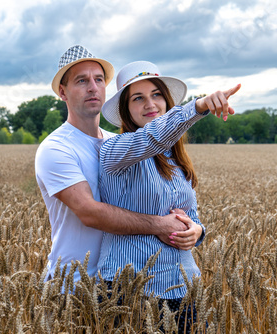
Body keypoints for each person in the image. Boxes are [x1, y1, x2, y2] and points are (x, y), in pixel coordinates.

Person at [35, 46, 204, 283]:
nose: (93, 87)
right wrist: (161, 225)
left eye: (99, 79)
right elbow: (89, 213)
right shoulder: (56, 148)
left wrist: (195, 230)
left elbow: (168, 205)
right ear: (63, 92)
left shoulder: (119, 143)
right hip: (73, 283)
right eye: (82, 81)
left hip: (126, 281)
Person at [97, 60, 240, 332]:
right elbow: (152, 138)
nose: (150, 104)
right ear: (126, 110)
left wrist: (197, 231)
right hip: (129, 289)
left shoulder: (175, 160)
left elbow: (191, 216)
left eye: (157, 95)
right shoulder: (114, 150)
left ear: (166, 100)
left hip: (183, 287)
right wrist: (199, 106)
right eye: (138, 98)